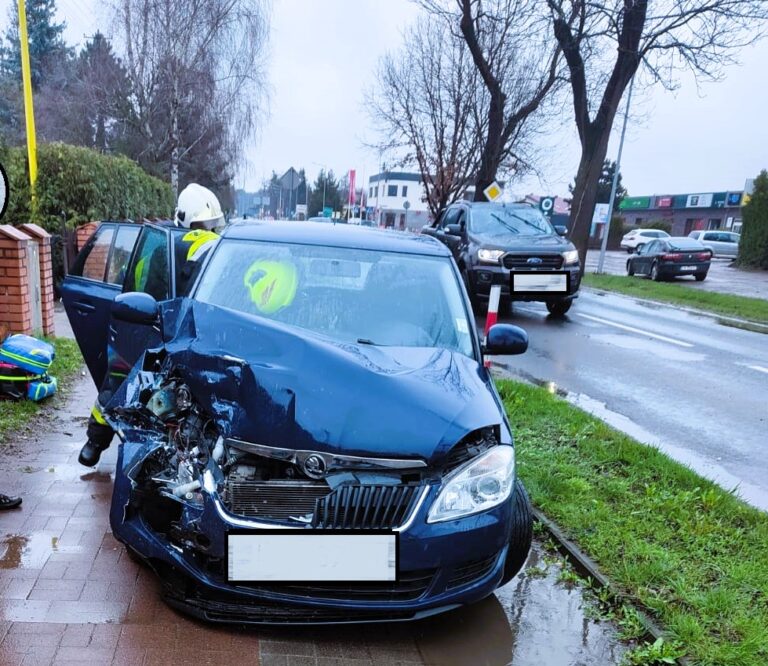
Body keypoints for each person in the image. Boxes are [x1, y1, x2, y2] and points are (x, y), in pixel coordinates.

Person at [78, 184, 224, 467]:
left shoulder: (166, 246)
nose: (210, 231)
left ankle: (96, 443)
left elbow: (138, 281)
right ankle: (100, 442)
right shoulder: (202, 249)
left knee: (121, 385)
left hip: (166, 329)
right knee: (124, 385)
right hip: (172, 332)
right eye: (209, 225)